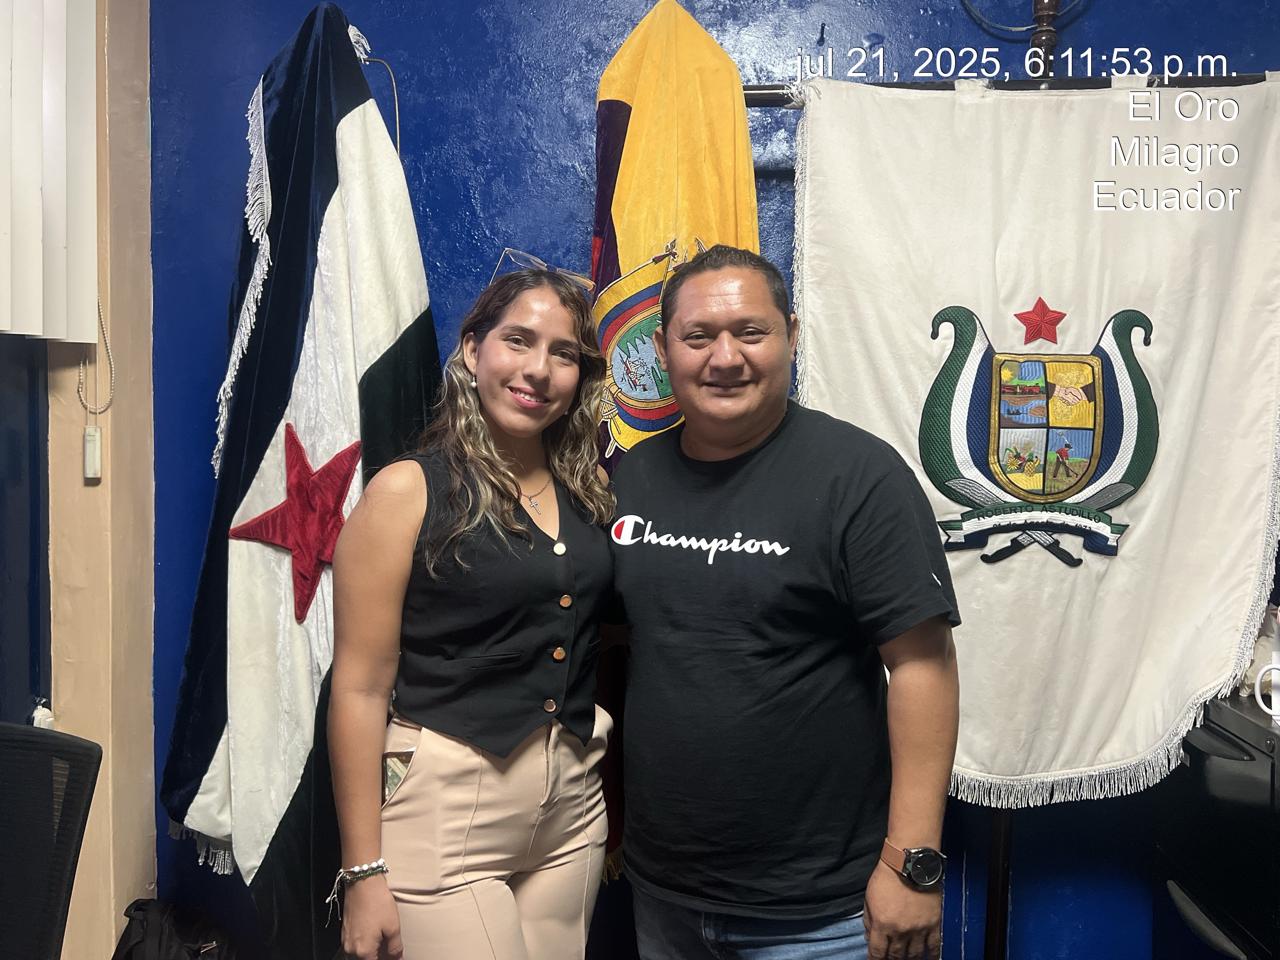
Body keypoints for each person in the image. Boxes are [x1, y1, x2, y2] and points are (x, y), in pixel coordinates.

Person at [609, 245, 961, 960]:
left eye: (751, 332)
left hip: (821, 914)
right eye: (699, 336)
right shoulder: (627, 481)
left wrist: (912, 863)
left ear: (792, 336)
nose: (726, 358)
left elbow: (924, 667)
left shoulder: (859, 477)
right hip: (665, 895)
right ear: (663, 350)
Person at [328, 268, 617, 960]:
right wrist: (362, 871)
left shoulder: (588, 489)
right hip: (447, 807)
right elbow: (359, 688)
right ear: (472, 350)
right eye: (518, 340)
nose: (538, 369)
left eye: (563, 353)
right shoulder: (407, 489)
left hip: (573, 808)